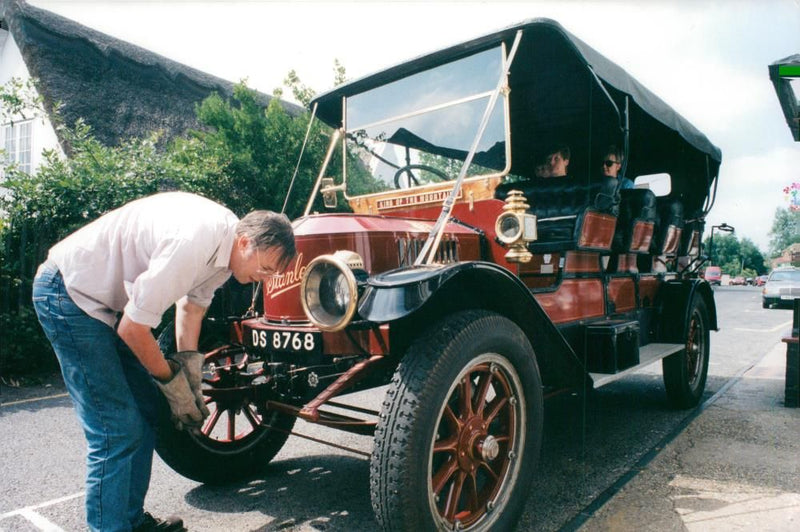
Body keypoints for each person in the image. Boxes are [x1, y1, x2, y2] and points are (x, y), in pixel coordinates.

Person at [31, 191, 296, 532]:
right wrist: (174, 387)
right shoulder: (195, 241)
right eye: (266, 268)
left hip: (105, 306)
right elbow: (133, 328)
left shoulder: (225, 251)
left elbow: (192, 307)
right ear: (245, 242)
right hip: (68, 295)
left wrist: (188, 369)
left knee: (146, 409)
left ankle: (130, 521)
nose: (266, 278)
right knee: (116, 428)